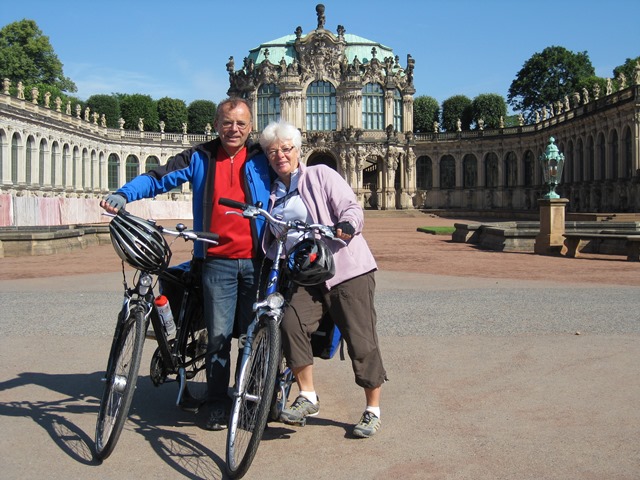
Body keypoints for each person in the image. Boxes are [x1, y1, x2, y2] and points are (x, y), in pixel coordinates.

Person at [100, 97, 272, 431]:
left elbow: (297, 181)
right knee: (219, 337)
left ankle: (252, 397)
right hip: (215, 262)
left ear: (251, 127)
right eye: (226, 122)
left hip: (257, 260)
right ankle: (217, 401)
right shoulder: (200, 156)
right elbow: (157, 177)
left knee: (256, 334)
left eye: (240, 123)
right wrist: (124, 194)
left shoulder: (263, 157)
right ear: (216, 124)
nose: (233, 129)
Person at [259, 120, 387, 438]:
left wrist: (346, 223)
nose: (280, 155)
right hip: (308, 274)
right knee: (289, 322)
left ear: (298, 150)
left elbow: (350, 207)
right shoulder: (273, 194)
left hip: (346, 268)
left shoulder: (321, 175)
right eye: (273, 151)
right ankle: (308, 395)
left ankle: (372, 410)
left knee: (361, 340)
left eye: (286, 149)